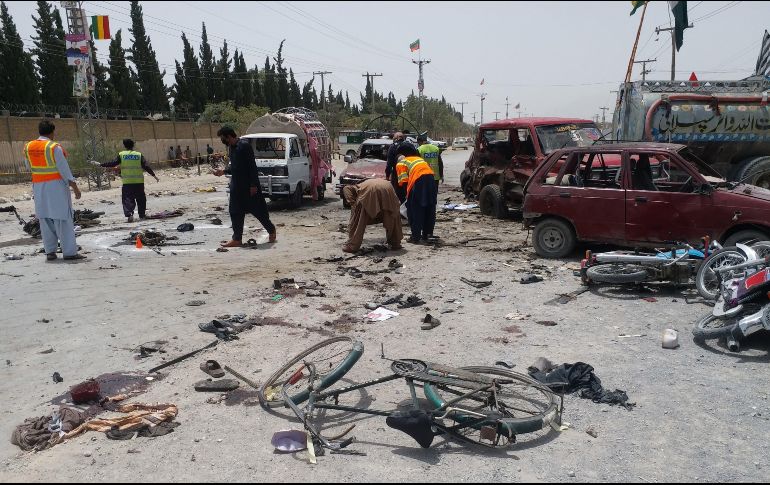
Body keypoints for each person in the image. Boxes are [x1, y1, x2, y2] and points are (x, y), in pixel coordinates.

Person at [24, 120, 85, 261]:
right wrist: (75, 188)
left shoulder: (28, 147)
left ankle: (50, 252)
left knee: (45, 219)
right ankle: (69, 252)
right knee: (63, 219)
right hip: (56, 187)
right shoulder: (54, 147)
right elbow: (65, 171)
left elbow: (29, 167)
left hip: (39, 187)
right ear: (52, 132)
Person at [212, 126, 276, 247]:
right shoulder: (231, 148)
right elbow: (234, 166)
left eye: (223, 138)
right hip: (236, 186)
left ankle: (271, 230)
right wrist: (223, 172)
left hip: (249, 186)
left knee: (258, 211)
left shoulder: (244, 146)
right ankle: (237, 239)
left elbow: (252, 166)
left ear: (229, 136)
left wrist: (253, 185)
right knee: (235, 211)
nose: (222, 140)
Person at [94, 139, 158, 222]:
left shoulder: (122, 154)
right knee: (141, 199)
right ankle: (142, 215)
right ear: (133, 145)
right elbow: (146, 166)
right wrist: (154, 175)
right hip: (139, 182)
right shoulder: (138, 155)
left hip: (127, 182)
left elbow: (113, 163)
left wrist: (101, 164)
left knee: (128, 199)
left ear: (124, 146)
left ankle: (129, 214)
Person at [342, 179, 403, 253]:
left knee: (358, 220)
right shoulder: (365, 183)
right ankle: (396, 243)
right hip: (388, 187)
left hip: (371, 191)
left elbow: (348, 194)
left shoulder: (352, 188)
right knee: (392, 214)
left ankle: (353, 246)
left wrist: (354, 205)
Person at [396, 142, 437, 244]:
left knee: (415, 209)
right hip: (431, 179)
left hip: (419, 181)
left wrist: (407, 197)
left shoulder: (401, 163)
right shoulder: (418, 159)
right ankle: (427, 234)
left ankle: (415, 236)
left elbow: (404, 182)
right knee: (429, 207)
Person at [385, 131, 406, 203]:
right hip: (409, 173)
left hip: (397, 174)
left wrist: (387, 175)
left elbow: (389, 163)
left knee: (397, 194)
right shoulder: (409, 145)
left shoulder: (393, 147)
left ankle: (398, 211)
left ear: (396, 138)